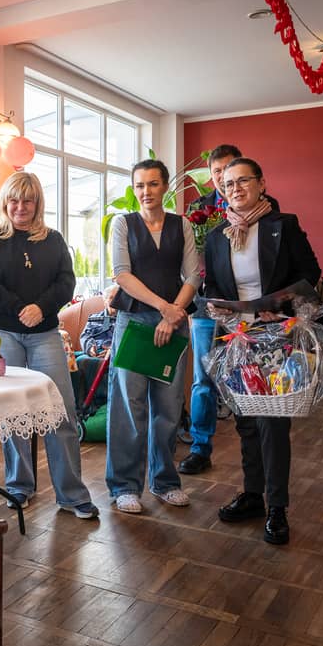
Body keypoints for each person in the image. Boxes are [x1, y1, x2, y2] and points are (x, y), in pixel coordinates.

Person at [204, 157, 321, 545]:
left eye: (243, 181)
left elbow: (310, 273)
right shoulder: (217, 235)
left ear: (261, 183)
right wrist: (217, 306)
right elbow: (212, 285)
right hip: (237, 337)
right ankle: (253, 494)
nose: (235, 188)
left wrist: (283, 303)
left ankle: (277, 507)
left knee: (273, 422)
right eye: (228, 183)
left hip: (276, 334)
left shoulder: (283, 225)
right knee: (246, 420)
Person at [0, 171, 99, 520]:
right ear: (5, 202)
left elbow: (66, 282)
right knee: (12, 411)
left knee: (61, 409)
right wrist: (19, 309)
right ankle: (19, 486)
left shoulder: (53, 240)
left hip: (44, 333)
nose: (20, 207)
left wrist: (41, 308)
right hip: (3, 333)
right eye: (14, 200)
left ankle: (71, 494)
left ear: (37, 203)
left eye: (27, 200)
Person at [105, 159, 201, 514]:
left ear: (165, 187)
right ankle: (124, 486)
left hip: (174, 324)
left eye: (153, 184)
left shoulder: (182, 225)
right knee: (129, 407)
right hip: (134, 322)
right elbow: (122, 275)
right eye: (140, 185)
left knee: (168, 407)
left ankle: (165, 482)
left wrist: (174, 315)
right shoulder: (123, 224)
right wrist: (165, 308)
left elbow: (193, 276)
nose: (146, 191)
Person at [180, 144, 243, 476]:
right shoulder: (198, 209)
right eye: (216, 171)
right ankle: (200, 448)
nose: (222, 176)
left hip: (245, 308)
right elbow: (189, 260)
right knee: (203, 379)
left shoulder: (259, 206)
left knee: (244, 374)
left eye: (228, 168)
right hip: (206, 307)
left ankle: (253, 446)